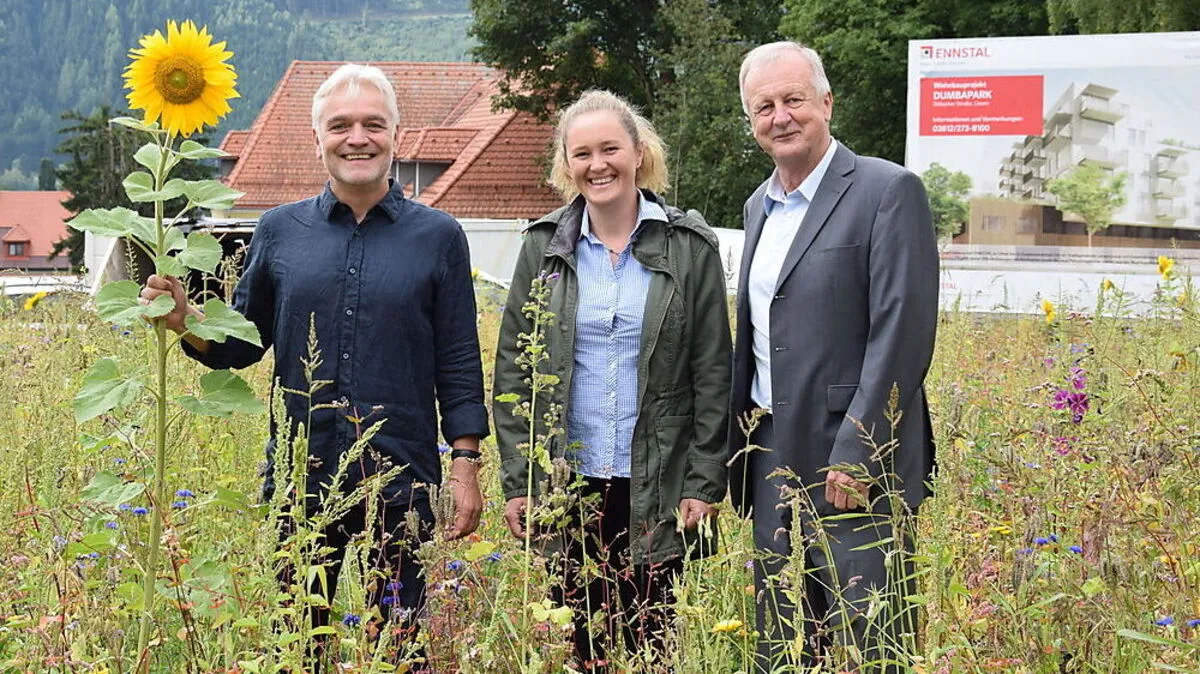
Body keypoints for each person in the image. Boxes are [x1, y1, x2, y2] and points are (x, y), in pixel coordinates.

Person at [140, 63, 490, 668]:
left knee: (401, 646)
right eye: (341, 125)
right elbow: (243, 343)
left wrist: (464, 465)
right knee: (299, 643)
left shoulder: (439, 236)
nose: (358, 137)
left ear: (395, 135)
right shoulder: (279, 231)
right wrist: (186, 320)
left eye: (373, 124)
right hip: (301, 474)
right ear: (318, 139)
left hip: (400, 477)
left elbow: (457, 358)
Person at [492, 89, 731, 672]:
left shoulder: (689, 247)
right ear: (566, 166)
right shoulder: (543, 250)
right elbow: (514, 371)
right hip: (568, 481)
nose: (597, 165)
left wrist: (704, 480)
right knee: (582, 645)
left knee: (654, 643)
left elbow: (713, 371)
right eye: (581, 154)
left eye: (610, 149)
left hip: (660, 479)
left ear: (638, 153)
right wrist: (521, 480)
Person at [727, 42, 939, 672]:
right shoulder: (756, 208)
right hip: (770, 452)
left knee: (873, 637)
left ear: (826, 102)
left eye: (793, 99)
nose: (780, 116)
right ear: (751, 121)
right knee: (783, 641)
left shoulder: (887, 190)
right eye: (764, 106)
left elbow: (903, 329)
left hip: (853, 461)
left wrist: (861, 449)